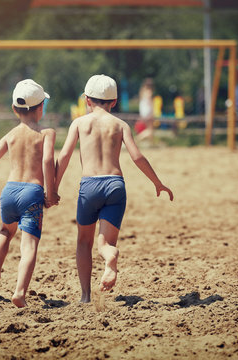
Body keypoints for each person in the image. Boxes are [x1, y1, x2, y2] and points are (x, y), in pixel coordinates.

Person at [55, 74, 174, 303]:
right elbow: (137, 157)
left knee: (83, 242)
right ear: (115, 101)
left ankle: (85, 295)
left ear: (87, 100)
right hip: (115, 186)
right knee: (105, 244)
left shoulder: (79, 123)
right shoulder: (120, 125)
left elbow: (65, 156)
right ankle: (110, 256)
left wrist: (54, 189)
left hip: (89, 186)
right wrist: (157, 182)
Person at [0, 79, 59, 308]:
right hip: (32, 192)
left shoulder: (10, 135)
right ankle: (19, 292)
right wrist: (50, 191)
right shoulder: (47, 133)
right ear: (41, 107)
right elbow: (47, 160)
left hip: (9, 191)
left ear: (15, 109)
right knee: (29, 246)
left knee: (5, 231)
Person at [136, 78, 155, 143]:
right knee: (150, 131)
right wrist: (152, 113)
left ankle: (151, 143)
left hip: (143, 112)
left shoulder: (142, 91)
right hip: (148, 113)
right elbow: (150, 103)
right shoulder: (149, 92)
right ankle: (137, 139)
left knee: (149, 130)